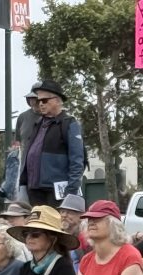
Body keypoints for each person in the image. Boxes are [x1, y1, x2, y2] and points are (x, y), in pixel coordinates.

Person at [19, 79, 84, 207]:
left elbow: (77, 161)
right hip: (35, 189)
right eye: (38, 100)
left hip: (56, 192)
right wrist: (23, 183)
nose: (40, 104)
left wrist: (71, 192)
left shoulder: (69, 123)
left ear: (57, 100)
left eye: (44, 100)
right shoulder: (37, 124)